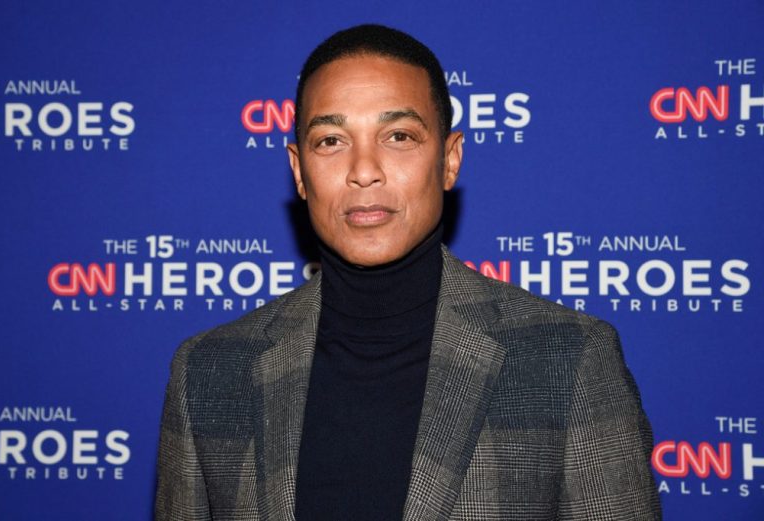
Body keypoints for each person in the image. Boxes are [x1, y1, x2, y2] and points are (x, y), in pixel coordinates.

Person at [155, 24, 661, 520]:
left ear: (450, 159)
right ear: (299, 171)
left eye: (398, 136)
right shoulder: (209, 372)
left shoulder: (566, 360)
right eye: (331, 140)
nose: (364, 169)